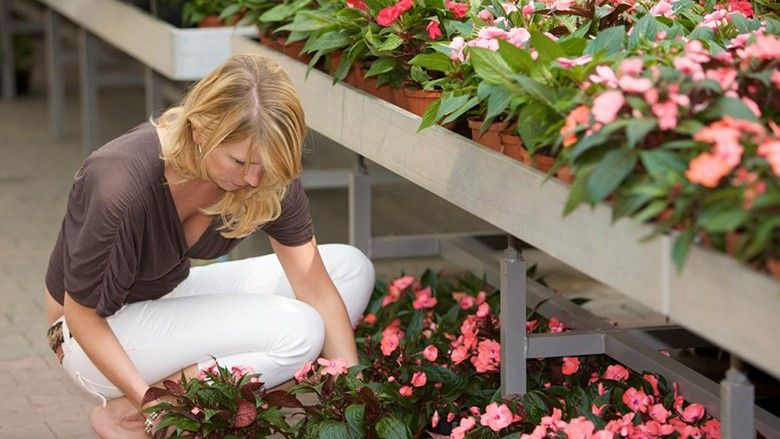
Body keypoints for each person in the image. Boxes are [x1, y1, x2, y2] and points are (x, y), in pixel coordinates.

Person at [43, 54, 375, 438]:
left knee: (350, 268)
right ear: (201, 130)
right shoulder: (117, 183)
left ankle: (150, 406)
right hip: (86, 336)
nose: (253, 178)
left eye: (264, 166)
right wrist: (148, 400)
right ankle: (137, 410)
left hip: (163, 297)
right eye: (238, 161)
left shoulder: (266, 169)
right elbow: (82, 315)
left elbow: (314, 286)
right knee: (299, 331)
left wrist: (358, 403)